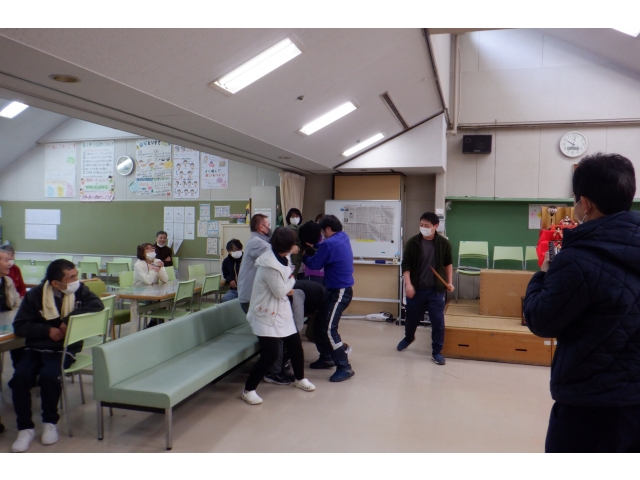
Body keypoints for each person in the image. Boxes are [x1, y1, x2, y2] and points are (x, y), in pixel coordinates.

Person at [524, 153, 640, 453]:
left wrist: (542, 275)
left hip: (590, 403)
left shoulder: (577, 258)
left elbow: (541, 319)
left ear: (585, 203)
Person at [8, 259, 103, 452]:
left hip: (64, 348)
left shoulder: (79, 291)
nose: (76, 280)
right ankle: (25, 428)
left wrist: (68, 319)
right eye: (71, 277)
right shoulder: (35, 295)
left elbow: (97, 304)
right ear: (55, 283)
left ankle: (50, 422)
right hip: (36, 347)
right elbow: (20, 325)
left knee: (49, 376)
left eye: (76, 275)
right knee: (20, 378)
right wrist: (47, 330)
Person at [242, 227, 316, 405]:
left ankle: (300, 378)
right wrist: (292, 279)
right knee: (270, 354)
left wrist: (288, 280)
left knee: (296, 347)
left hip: (281, 311)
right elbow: (280, 290)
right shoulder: (269, 265)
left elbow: (285, 281)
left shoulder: (284, 256)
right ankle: (248, 390)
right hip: (265, 313)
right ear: (287, 246)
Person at [302, 214, 355, 382]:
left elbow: (315, 264)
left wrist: (303, 254)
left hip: (340, 292)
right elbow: (325, 246)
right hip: (334, 290)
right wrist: (314, 246)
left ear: (328, 229)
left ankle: (344, 366)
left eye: (323, 232)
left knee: (329, 329)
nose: (322, 235)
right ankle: (326, 357)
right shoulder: (342, 237)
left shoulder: (329, 244)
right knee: (319, 323)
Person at [396, 212, 454, 365]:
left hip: (435, 290)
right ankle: (409, 338)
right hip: (416, 289)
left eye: (427, 226)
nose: (423, 228)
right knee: (411, 319)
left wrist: (449, 282)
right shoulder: (413, 242)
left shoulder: (443, 243)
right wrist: (408, 284)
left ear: (436, 226)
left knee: (437, 321)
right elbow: (406, 265)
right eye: (421, 225)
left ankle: (437, 351)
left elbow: (448, 264)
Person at [0, 249, 21, 435]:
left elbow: (15, 304)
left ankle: (22, 382)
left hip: (6, 328)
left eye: (10, 259)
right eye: (5, 259)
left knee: (23, 347)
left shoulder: (7, 281)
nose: (10, 263)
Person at [299, 218, 325, 286]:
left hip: (321, 273)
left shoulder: (320, 239)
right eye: (310, 243)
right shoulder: (299, 241)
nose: (311, 245)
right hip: (310, 272)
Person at [221, 239, 243, 303]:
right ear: (229, 251)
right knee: (225, 299)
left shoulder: (246, 259)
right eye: (235, 250)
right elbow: (225, 274)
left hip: (246, 289)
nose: (238, 252)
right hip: (234, 290)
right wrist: (230, 279)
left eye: (239, 249)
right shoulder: (226, 261)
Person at [285, 208, 304, 279]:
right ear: (288, 218)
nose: (295, 218)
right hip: (291, 258)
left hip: (300, 261)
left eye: (297, 216)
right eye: (292, 216)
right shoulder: (286, 230)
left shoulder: (302, 229)